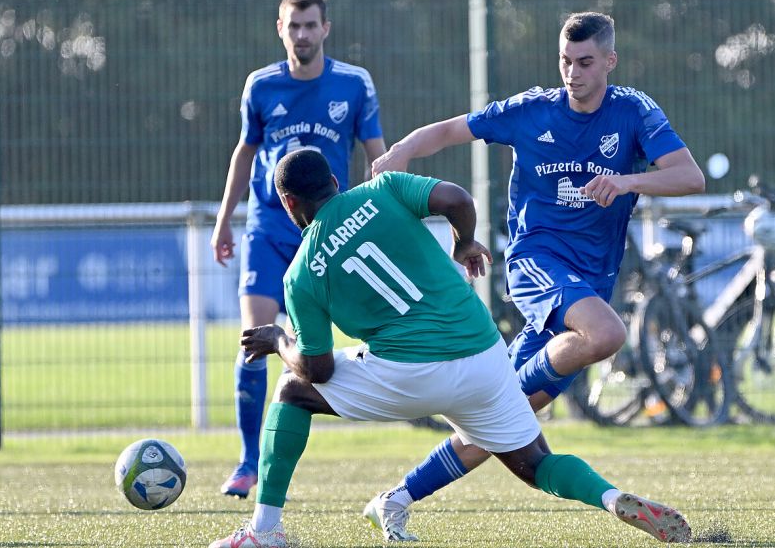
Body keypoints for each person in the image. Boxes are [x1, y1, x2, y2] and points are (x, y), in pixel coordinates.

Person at [208, 149, 691, 548]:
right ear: (334, 180)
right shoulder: (386, 188)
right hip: (484, 355)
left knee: (292, 390)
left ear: (289, 204)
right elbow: (456, 198)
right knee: (536, 463)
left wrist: (278, 340)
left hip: (408, 375)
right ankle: (608, 498)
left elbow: (317, 369)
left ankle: (264, 531)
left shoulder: (301, 272)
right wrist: (464, 243)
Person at [366, 11, 704, 540]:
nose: (573, 73)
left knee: (498, 430)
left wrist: (626, 180)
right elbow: (453, 129)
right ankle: (503, 405)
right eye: (566, 61)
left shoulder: (634, 111)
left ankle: (395, 498)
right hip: (535, 261)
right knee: (608, 334)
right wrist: (402, 151)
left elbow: (690, 176)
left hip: (590, 281)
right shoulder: (532, 110)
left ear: (609, 61)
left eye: (586, 62)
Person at [210, 0, 386, 498]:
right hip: (267, 228)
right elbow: (244, 153)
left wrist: (378, 216)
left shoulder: (354, 84)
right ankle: (248, 462)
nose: (302, 35)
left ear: (325, 28)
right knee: (253, 341)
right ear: (280, 29)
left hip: (328, 233)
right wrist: (225, 221)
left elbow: (378, 156)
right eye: (294, 26)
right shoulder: (261, 86)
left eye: (311, 25)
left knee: (320, 350)